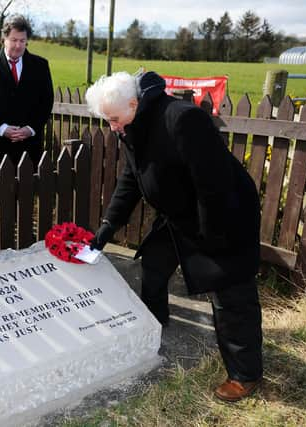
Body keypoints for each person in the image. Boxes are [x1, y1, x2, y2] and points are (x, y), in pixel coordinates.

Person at [85, 71, 263, 402]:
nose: (111, 127)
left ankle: (245, 374)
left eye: (113, 119)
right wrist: (107, 227)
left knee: (230, 294)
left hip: (222, 215)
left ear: (134, 103)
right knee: (153, 265)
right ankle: (154, 326)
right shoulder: (131, 126)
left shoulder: (183, 120)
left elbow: (214, 185)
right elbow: (131, 179)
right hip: (178, 213)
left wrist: (212, 240)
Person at [0, 14, 54, 171]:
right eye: (14, 40)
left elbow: (46, 101)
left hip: (30, 146)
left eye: (22, 41)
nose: (18, 46)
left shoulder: (40, 65)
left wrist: (30, 129)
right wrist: (2, 129)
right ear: (4, 39)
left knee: (27, 193)